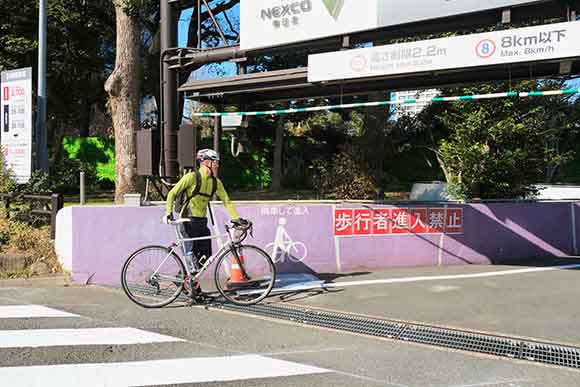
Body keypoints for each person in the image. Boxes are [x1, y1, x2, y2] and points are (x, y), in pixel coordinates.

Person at [163, 149, 244, 270]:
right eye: (215, 162)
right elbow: (172, 193)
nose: (217, 165)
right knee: (192, 257)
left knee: (206, 257)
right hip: (187, 221)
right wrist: (168, 213)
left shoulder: (216, 183)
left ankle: (185, 281)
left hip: (202, 222)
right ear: (206, 162)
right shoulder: (191, 177)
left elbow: (226, 201)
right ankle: (190, 285)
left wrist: (237, 218)